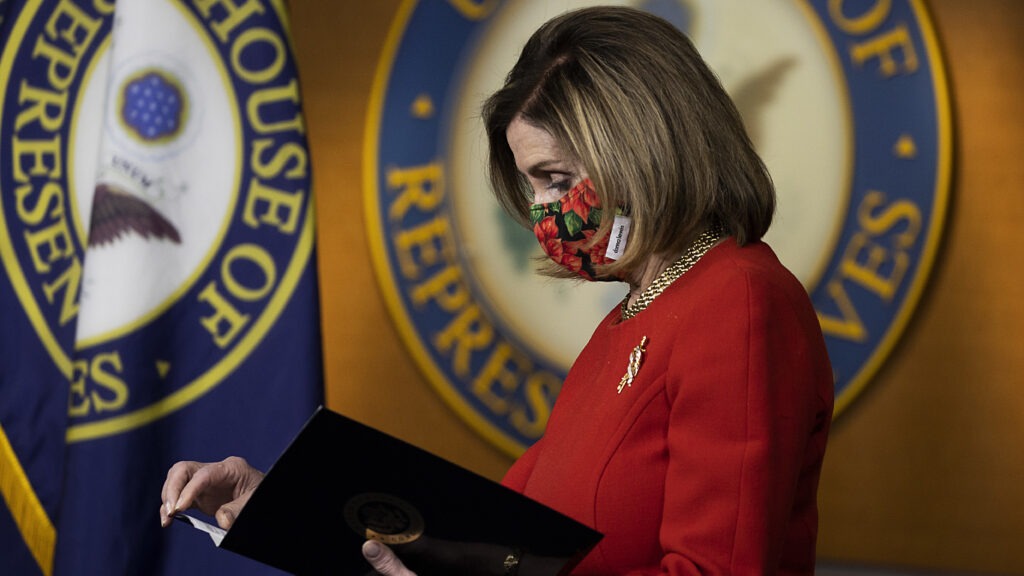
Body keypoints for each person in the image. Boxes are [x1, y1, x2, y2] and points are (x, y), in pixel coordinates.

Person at [160, 6, 833, 575]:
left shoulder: (738, 302)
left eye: (557, 179)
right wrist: (277, 505)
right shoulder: (630, 319)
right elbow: (484, 544)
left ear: (641, 151)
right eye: (533, 185)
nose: (542, 212)